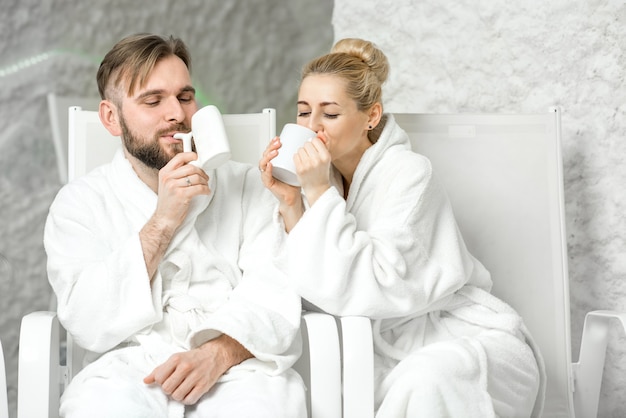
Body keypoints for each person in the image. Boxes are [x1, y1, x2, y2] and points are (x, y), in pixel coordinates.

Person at [259, 38, 545, 417]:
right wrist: (292, 202)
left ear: (371, 116)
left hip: (463, 340)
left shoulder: (410, 174)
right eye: (303, 113)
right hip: (380, 353)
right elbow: (311, 288)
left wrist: (317, 192)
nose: (312, 128)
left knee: (428, 380)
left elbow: (378, 284)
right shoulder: (317, 183)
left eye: (329, 114)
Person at [45, 33, 306, 418]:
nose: (177, 114)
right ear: (111, 118)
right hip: (129, 372)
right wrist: (163, 220)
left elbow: (276, 292)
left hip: (237, 367)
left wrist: (217, 353)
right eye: (153, 100)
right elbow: (85, 320)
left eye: (185, 97)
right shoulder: (79, 204)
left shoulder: (247, 185)